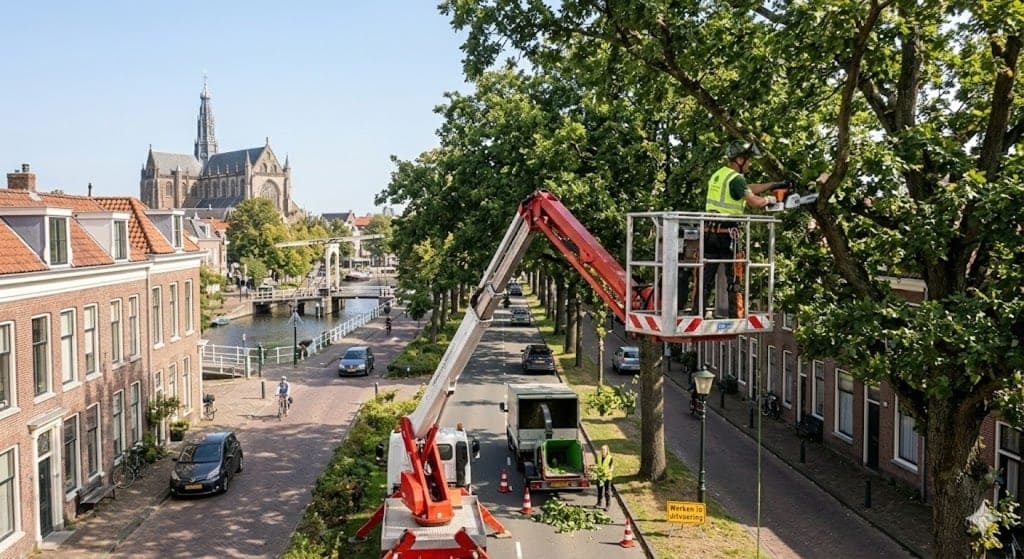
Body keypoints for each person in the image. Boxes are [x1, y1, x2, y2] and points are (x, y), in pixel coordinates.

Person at [700, 141, 786, 318]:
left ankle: (697, 312)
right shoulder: (736, 179)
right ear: (740, 160)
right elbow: (754, 201)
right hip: (728, 234)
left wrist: (772, 185)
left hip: (709, 232)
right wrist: (770, 200)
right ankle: (735, 317)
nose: (750, 163)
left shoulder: (719, 175)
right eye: (748, 160)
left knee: (705, 277)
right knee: (734, 278)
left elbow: (747, 189)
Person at [592, 444, 614, 509]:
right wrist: (594, 469)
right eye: (601, 449)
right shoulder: (598, 456)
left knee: (607, 492)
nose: (602, 451)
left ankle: (607, 505)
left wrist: (607, 472)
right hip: (600, 476)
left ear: (607, 450)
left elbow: (612, 468)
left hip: (607, 477)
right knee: (599, 490)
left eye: (604, 449)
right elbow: (596, 465)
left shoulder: (610, 458)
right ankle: (599, 503)